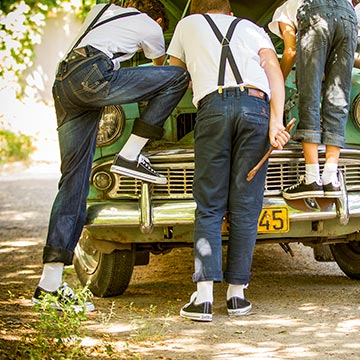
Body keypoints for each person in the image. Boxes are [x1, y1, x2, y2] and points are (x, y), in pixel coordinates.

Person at [32, 0, 189, 312]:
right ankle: (131, 153)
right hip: (94, 77)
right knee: (177, 78)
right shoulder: (150, 25)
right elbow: (162, 69)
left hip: (65, 82)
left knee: (74, 183)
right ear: (157, 16)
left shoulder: (102, 11)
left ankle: (48, 284)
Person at [167, 0, 290, 321]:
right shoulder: (251, 29)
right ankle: (237, 296)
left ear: (197, 10)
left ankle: (204, 298)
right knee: (246, 205)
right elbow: (274, 72)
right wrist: (276, 121)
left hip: (214, 108)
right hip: (256, 108)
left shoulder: (187, 25)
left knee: (209, 203)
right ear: (231, 13)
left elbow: (172, 74)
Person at [268, 0, 357, 200]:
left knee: (309, 95)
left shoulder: (284, 10)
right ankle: (330, 177)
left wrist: (278, 83)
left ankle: (311, 178)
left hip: (315, 14)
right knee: (338, 96)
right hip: (348, 16)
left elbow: (290, 51)